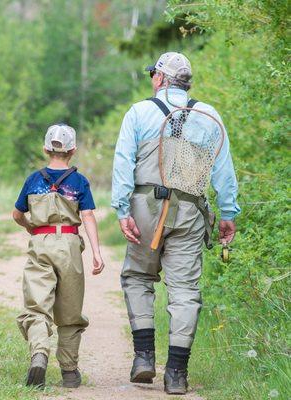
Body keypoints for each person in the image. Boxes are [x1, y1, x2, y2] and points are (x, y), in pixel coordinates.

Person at [111, 52, 240, 395]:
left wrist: (121, 209)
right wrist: (228, 213)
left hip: (145, 206)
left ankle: (143, 358)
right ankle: (177, 375)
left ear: (159, 79)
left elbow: (123, 163)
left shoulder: (139, 112)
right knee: (184, 290)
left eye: (153, 73)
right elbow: (224, 172)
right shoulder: (209, 116)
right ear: (187, 83)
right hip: (190, 210)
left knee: (138, 276)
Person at [12, 124, 105, 389]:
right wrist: (97, 252)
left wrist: (31, 227)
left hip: (41, 243)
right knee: (70, 310)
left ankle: (39, 353)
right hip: (70, 246)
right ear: (72, 150)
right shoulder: (79, 181)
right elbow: (87, 216)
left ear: (45, 148)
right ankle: (69, 371)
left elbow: (17, 214)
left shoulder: (33, 179)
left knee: (37, 305)